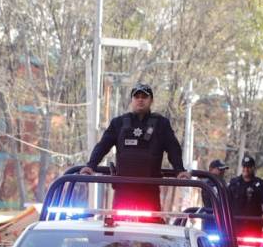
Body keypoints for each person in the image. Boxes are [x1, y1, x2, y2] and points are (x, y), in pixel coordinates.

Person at [78, 83, 187, 212]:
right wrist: (91, 166)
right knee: (118, 223)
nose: (140, 100)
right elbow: (103, 146)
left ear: (151, 100)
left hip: (149, 191)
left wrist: (180, 171)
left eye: (144, 97)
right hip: (123, 190)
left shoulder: (161, 124)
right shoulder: (118, 123)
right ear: (132, 100)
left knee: (152, 223)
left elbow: (173, 149)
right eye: (137, 97)